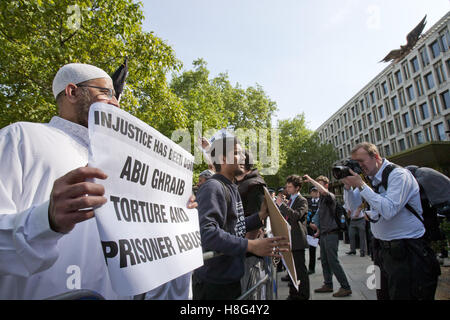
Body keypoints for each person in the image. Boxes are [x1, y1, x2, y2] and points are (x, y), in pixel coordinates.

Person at [0, 63, 197, 300]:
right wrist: (47, 219)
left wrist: (174, 214)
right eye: (106, 93)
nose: (116, 103)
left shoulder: (127, 162)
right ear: (72, 92)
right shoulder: (20, 138)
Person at [192, 135, 290, 300]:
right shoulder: (213, 187)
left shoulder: (232, 187)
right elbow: (207, 233)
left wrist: (259, 216)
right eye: (238, 153)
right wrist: (250, 245)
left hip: (230, 278)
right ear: (223, 158)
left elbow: (234, 226)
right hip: (214, 284)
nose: (244, 157)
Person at [341, 142, 441, 300]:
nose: (359, 166)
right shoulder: (369, 178)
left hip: (407, 250)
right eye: (355, 163)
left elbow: (388, 210)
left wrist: (361, 185)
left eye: (361, 161)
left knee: (405, 295)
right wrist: (347, 187)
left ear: (376, 157)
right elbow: (352, 206)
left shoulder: (398, 175)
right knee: (382, 293)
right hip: (380, 249)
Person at [303, 174, 352, 298]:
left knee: (333, 261)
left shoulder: (330, 196)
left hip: (332, 234)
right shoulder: (321, 201)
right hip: (324, 234)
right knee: (324, 261)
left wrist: (310, 180)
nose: (317, 188)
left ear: (326, 186)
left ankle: (345, 287)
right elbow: (323, 218)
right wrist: (319, 230)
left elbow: (324, 191)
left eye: (319, 185)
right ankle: (328, 284)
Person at [236, 150, 268, 298]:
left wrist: (247, 248)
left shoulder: (254, 185)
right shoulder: (242, 184)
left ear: (242, 164)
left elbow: (256, 220)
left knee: (249, 294)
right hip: (240, 250)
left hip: (248, 256)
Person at [276, 175, 310, 300]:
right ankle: (293, 293)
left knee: (300, 270)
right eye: (287, 186)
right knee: (291, 269)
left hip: (297, 240)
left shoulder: (302, 200)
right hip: (288, 239)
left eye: (290, 187)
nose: (287, 189)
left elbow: (296, 216)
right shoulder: (290, 200)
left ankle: (303, 295)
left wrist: (282, 206)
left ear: (297, 188)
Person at [343, 188, 367, 257]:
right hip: (352, 219)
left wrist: (359, 209)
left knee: (362, 236)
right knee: (351, 235)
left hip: (360, 218)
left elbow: (365, 201)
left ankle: (362, 251)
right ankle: (352, 250)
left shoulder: (358, 190)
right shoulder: (349, 193)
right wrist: (348, 214)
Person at [307, 187, 320, 274]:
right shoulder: (307, 202)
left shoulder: (322, 201)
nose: (315, 193)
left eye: (316, 191)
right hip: (311, 228)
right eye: (313, 192)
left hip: (321, 227)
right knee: (312, 249)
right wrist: (309, 224)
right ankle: (311, 268)